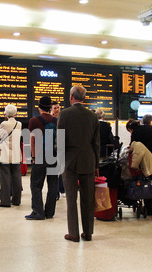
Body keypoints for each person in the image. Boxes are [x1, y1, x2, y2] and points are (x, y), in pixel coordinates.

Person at [58, 86, 100, 242]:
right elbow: (96, 143)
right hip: (88, 160)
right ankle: (88, 232)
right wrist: (96, 166)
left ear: (71, 97)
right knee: (88, 199)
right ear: (84, 98)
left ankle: (74, 233)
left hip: (69, 161)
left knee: (71, 198)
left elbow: (60, 140)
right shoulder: (93, 116)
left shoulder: (64, 114)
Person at [25, 96, 58, 220]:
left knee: (36, 184)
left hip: (40, 155)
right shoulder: (56, 120)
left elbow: (32, 140)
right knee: (53, 184)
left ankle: (38, 212)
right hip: (53, 155)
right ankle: (50, 212)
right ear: (50, 107)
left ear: (39, 107)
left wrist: (33, 156)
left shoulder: (34, 120)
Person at [0, 104, 22, 207]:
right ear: (15, 114)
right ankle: (16, 200)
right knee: (16, 178)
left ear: (6, 114)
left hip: (5, 155)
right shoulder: (19, 124)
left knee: (5, 179)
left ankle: (5, 201)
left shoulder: (4, 124)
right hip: (16, 154)